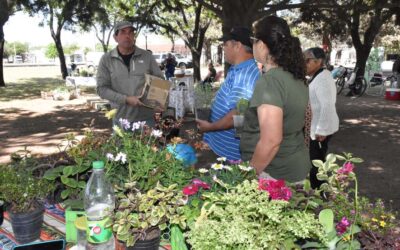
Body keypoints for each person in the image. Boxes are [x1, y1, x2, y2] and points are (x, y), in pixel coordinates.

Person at [240, 16, 311, 183]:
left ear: (262, 45)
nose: (252, 45)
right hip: (293, 166)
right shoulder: (295, 76)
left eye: (253, 40)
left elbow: (271, 141)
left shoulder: (270, 81)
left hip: (274, 173)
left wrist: (248, 176)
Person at [196, 27, 260, 161]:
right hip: (222, 148)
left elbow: (237, 115)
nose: (223, 48)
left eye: (225, 44)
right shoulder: (236, 69)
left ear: (237, 45)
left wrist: (210, 128)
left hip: (232, 156)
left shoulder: (247, 74)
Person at [96, 21, 163, 125]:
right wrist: (126, 99)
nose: (127, 36)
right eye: (123, 32)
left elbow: (160, 82)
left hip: (146, 119)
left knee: (148, 142)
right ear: (115, 37)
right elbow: (101, 89)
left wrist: (157, 102)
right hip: (120, 119)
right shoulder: (106, 59)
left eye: (131, 33)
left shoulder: (147, 57)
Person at [304, 47, 339, 189]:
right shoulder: (317, 76)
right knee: (315, 160)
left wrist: (322, 130)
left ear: (318, 62)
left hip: (320, 130)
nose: (304, 64)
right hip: (316, 127)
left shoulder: (323, 78)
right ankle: (317, 189)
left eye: (307, 61)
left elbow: (328, 105)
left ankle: (319, 190)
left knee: (316, 162)